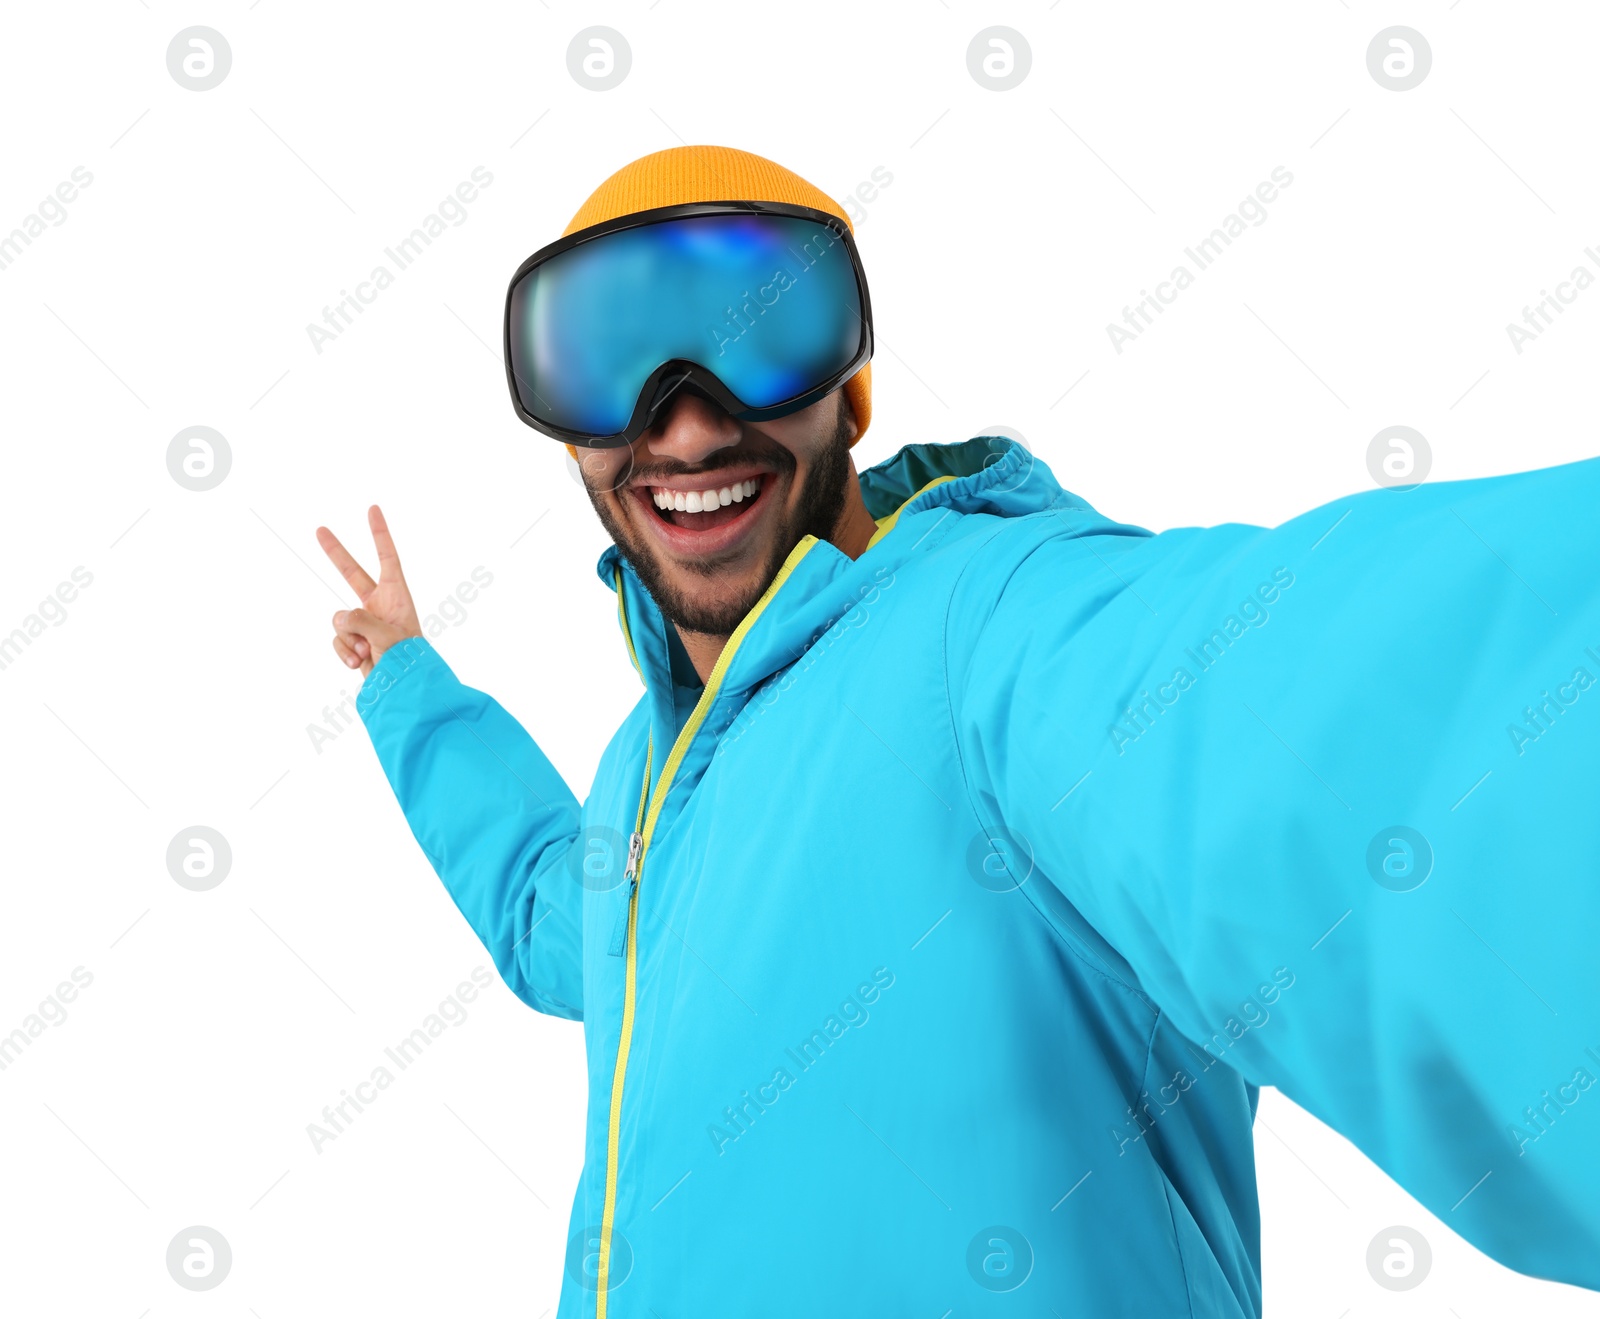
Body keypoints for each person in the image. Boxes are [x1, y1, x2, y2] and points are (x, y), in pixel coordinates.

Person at [316, 146, 1600, 1317]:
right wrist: (407, 681)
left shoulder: (995, 637)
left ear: (852, 389)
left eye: (757, 336)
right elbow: (558, 917)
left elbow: (1342, 732)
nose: (688, 421)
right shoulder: (640, 785)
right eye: (611, 363)